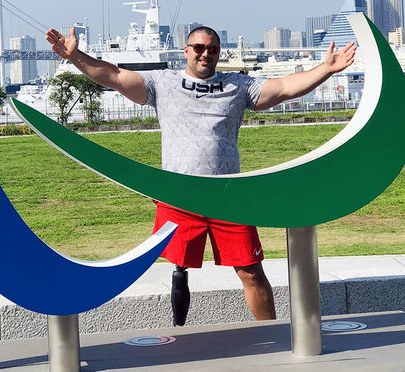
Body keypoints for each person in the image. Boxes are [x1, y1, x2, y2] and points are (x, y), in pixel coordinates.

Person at [46, 25, 356, 325]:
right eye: (199, 48)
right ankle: (180, 336)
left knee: (250, 271)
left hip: (228, 196)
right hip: (178, 195)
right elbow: (113, 75)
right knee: (178, 266)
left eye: (212, 49)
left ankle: (272, 333)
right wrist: (76, 57)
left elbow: (285, 87)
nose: (205, 54)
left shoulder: (239, 85)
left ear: (219, 53)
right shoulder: (161, 82)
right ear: (186, 51)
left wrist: (325, 69)